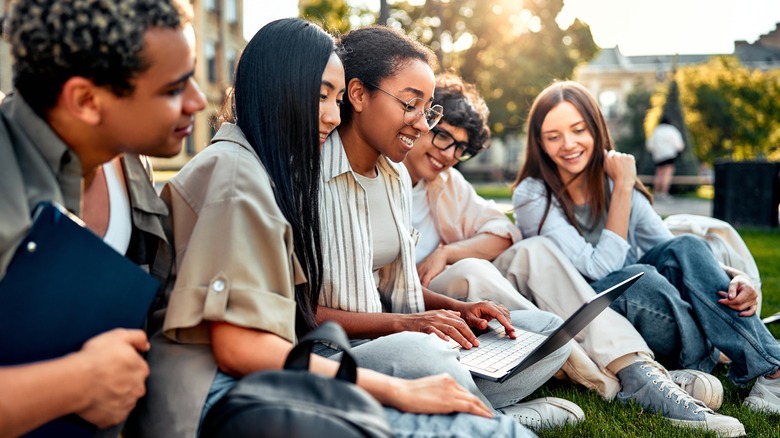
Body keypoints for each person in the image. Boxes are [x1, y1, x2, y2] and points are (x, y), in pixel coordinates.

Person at [132, 18, 532, 437]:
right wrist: (398, 391)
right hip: (218, 402)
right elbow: (241, 349)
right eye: (321, 96)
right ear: (276, 87)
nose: (332, 114)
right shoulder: (236, 176)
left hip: (261, 386)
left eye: (337, 98)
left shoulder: (257, 169)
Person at [403, 72, 743, 432]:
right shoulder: (381, 178)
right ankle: (618, 382)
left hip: (458, 290)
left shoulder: (445, 183)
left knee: (533, 250)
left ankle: (638, 370)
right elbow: (601, 269)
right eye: (442, 136)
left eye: (461, 148)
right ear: (421, 119)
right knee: (475, 270)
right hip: (415, 302)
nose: (448, 154)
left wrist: (447, 251)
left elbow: (504, 232)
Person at [316, 26, 582, 431]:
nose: (422, 126)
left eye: (428, 111)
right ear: (357, 94)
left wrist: (457, 310)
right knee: (423, 354)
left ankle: (463, 409)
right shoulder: (310, 177)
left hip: (401, 341)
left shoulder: (395, 178)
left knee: (547, 332)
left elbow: (393, 287)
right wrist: (408, 325)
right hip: (340, 355)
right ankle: (493, 422)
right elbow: (299, 311)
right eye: (411, 105)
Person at [513, 80, 780, 429]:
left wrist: (735, 278)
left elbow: (676, 252)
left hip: (659, 307)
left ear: (595, 128)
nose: (568, 144)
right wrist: (622, 187)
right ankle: (711, 353)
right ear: (540, 144)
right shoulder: (533, 195)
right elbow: (600, 268)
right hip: (598, 312)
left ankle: (771, 370)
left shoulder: (614, 183)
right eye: (553, 136)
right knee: (637, 277)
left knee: (685, 246)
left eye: (578, 129)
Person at [0, 1, 205, 436]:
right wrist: (76, 384)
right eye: (174, 89)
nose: (198, 101)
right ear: (87, 100)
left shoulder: (131, 163)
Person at [645, 115, 684, 199]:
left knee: (659, 174)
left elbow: (649, 145)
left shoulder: (656, 130)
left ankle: (656, 192)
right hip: (669, 155)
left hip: (658, 156)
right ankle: (663, 193)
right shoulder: (672, 130)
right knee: (667, 175)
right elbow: (679, 145)